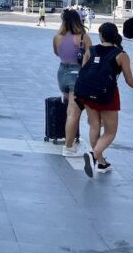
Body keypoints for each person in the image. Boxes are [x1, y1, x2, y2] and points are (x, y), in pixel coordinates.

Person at [77, 22, 133, 177]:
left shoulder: (90, 50)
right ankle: (94, 155)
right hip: (108, 95)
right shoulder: (121, 55)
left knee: (94, 126)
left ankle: (101, 162)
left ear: (101, 35)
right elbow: (129, 80)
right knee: (111, 131)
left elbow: (84, 71)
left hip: (88, 93)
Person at [52, 9, 91, 157]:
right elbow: (90, 56)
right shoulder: (83, 37)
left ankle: (70, 142)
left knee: (70, 111)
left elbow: (56, 53)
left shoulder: (57, 37)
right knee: (73, 113)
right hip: (76, 74)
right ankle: (69, 147)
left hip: (62, 73)